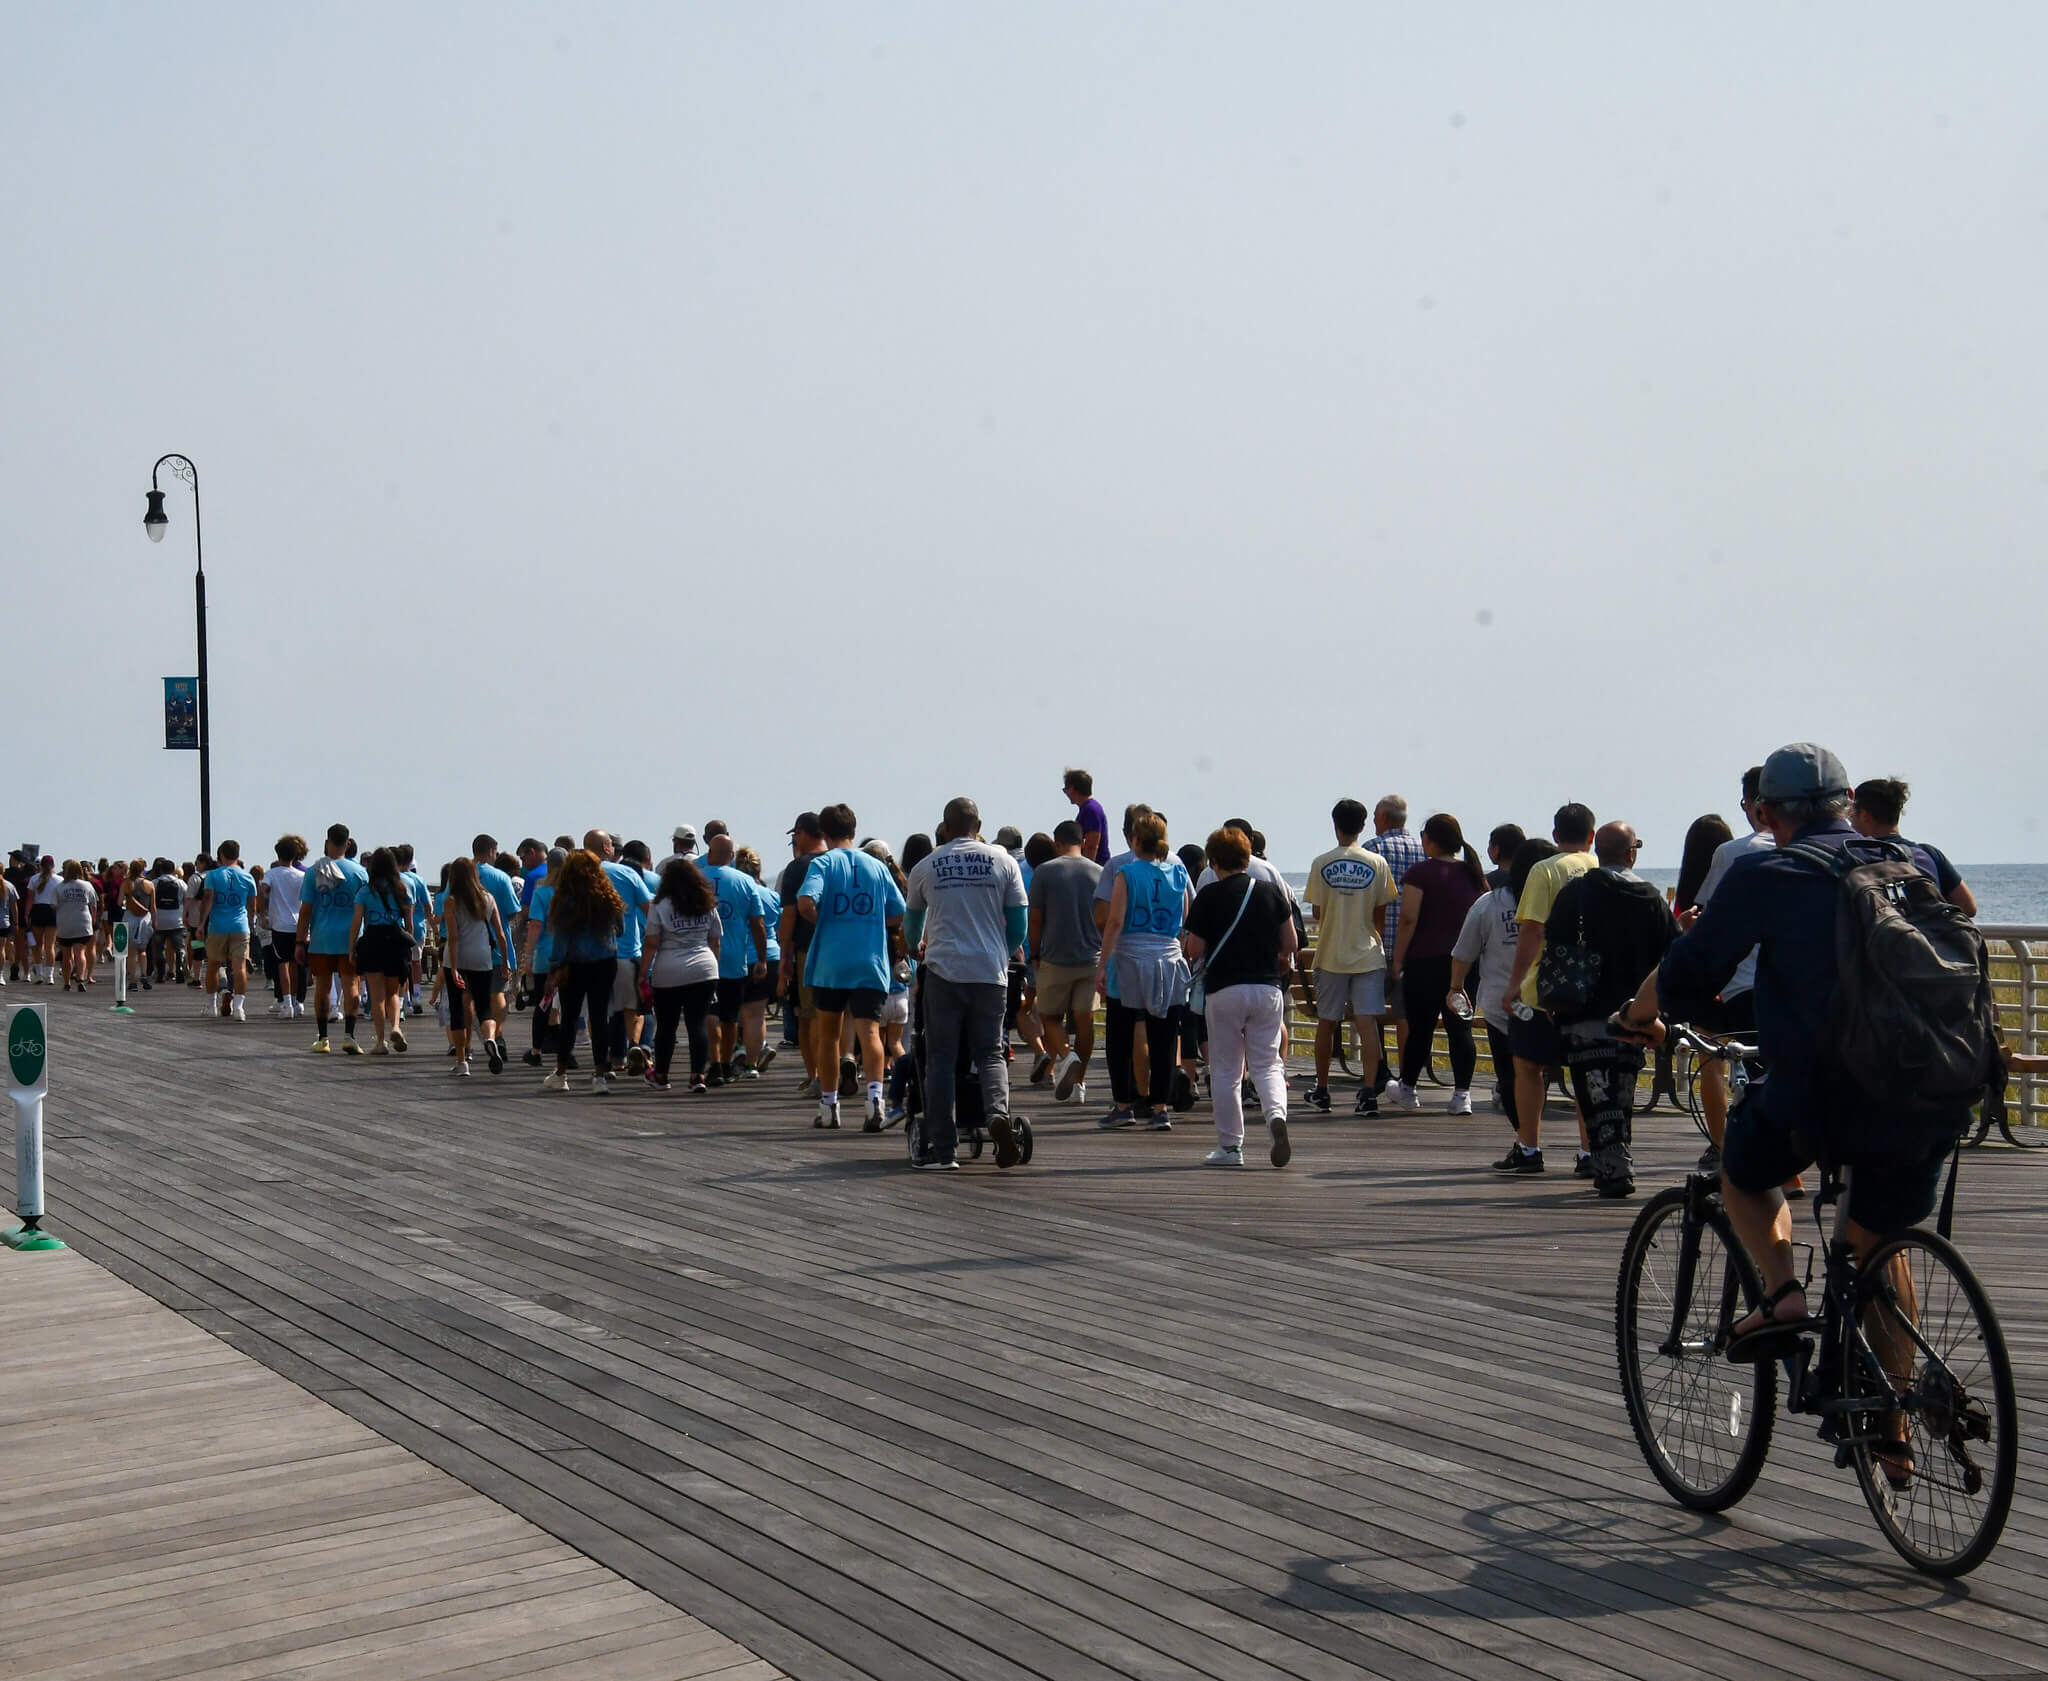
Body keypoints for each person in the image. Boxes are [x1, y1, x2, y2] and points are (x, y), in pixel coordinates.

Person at [1615, 744, 1959, 1479]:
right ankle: (1892, 1433)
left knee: (1742, 1165)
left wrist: (1640, 1014)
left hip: (1826, 1089)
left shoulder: (1767, 871)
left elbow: (1691, 968)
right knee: (1880, 1241)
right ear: (1846, 801)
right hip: (1931, 1087)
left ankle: (1780, 1293)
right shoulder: (1915, 861)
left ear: (1768, 813)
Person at [1540, 822, 1678, 1196]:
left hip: (1582, 1011)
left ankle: (1610, 1164)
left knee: (1592, 1094)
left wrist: (1551, 1000)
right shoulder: (1650, 898)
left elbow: (1554, 946)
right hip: (1634, 1013)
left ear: (1599, 851)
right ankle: (1616, 1161)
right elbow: (1672, 953)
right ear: (1631, 852)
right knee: (1622, 1093)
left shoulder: (1576, 893)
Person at [902, 798, 1028, 1167]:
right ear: (979, 824)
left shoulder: (926, 866)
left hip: (944, 971)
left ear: (944, 828)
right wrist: (1001, 952)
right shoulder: (1003, 862)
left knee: (940, 1059)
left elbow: (912, 926)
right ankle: (998, 1115)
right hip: (990, 972)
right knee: (990, 1053)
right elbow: (1018, 921)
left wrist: (916, 947)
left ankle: (945, 1149)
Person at [1185, 826, 1298, 1168]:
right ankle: (1275, 1116)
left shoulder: (1209, 896)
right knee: (1268, 1064)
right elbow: (1291, 944)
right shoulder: (1269, 892)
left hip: (1225, 990)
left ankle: (1231, 1148)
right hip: (1267, 989)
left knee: (1226, 1070)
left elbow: (1195, 948)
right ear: (1247, 857)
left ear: (1214, 861)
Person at [1497, 803, 1598, 1176]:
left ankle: (1529, 1147)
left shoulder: (1544, 870)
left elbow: (1533, 929)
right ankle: (1589, 1152)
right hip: (1592, 986)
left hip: (1546, 986)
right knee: (1586, 1071)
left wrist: (1513, 984)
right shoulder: (1600, 869)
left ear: (1556, 836)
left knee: (1527, 1066)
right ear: (1591, 835)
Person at [797, 804, 906, 1131]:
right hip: (869, 960)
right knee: (870, 1031)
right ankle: (875, 1101)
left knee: (829, 1035)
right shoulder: (876, 866)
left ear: (824, 834)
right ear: (854, 831)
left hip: (831, 962)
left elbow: (805, 902)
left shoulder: (823, 864)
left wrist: (823, 921)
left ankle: (830, 1107)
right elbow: (898, 911)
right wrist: (872, 924)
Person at [1687, 771, 1775, 1174]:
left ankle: (1743, 1155)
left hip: (1743, 986)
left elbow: (1706, 919)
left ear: (1753, 803)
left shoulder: (1733, 853)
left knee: (1749, 1075)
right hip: (1807, 984)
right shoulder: (1825, 849)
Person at [1095, 812, 1192, 1133]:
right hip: (1168, 960)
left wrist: (1101, 964)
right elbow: (1184, 923)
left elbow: (1114, 922)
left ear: (1135, 839)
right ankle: (1161, 1107)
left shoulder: (1126, 874)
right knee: (1164, 1039)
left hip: (1129, 961)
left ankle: (1123, 1105)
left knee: (1120, 1037)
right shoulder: (1178, 873)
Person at [1302, 799, 1397, 1117]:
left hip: (1331, 954)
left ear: (1335, 824)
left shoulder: (1321, 862)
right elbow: (1381, 911)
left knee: (1327, 1024)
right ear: (1363, 824)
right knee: (1368, 1023)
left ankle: (1323, 1090)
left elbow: (1316, 911)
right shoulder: (1377, 862)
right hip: (1368, 954)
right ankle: (1369, 1092)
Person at [1388, 815, 1488, 1113]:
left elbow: (1408, 919)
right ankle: (1462, 1095)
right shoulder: (1473, 873)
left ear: (1430, 839)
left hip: (1424, 962)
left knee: (1421, 1028)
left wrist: (1397, 960)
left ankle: (1408, 1089)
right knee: (1461, 1028)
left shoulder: (1420, 873)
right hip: (1465, 964)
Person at [1451, 828, 1536, 1133]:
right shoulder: (1555, 902)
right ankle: (1581, 1149)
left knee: (1511, 1076)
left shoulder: (1489, 903)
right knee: (1536, 1071)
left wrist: (1456, 987)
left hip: (1502, 1005)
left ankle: (1526, 1141)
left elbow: (1463, 953)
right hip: (1547, 1003)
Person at [1030, 820, 1103, 1104]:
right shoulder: (1099, 872)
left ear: (1056, 843)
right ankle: (1080, 1084)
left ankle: (1065, 1055)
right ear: (1083, 841)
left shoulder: (1045, 872)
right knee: (1085, 1019)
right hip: (1091, 957)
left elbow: (1035, 918)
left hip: (1055, 957)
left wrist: (1035, 953)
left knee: (1049, 1017)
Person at [542, 849, 625, 1094]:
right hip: (605, 961)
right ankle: (600, 1075)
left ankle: (561, 1072)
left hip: (574, 963)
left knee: (569, 1017)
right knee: (599, 1018)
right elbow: (619, 930)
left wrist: (553, 969)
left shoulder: (565, 899)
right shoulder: (608, 897)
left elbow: (561, 940)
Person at [642, 855, 721, 1092]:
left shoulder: (660, 905)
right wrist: (712, 966)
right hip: (704, 967)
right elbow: (715, 940)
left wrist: (642, 973)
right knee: (697, 1023)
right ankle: (697, 1075)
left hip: (669, 970)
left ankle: (662, 1075)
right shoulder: (707, 903)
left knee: (667, 1026)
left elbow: (652, 943)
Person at [1852, 777, 1977, 916]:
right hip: (1928, 937)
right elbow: (1969, 908)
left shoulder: (1855, 858)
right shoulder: (1929, 854)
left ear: (1864, 815)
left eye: (1851, 816)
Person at [1365, 796, 1425, 1081]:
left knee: (1370, 1013)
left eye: (1376, 815)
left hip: (1375, 946)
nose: (1373, 821)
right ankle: (1407, 1077)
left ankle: (1378, 1072)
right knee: (1405, 1016)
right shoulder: (1423, 850)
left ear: (1385, 818)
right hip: (1411, 948)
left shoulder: (1372, 850)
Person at [700, 833, 768, 1088]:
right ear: (731, 856)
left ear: (709, 854)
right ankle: (725, 1064)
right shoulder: (745, 882)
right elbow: (757, 923)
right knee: (729, 1017)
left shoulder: (696, 879)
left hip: (701, 958)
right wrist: (761, 958)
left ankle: (715, 1063)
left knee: (709, 1013)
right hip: (734, 960)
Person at [441, 857, 512, 1076]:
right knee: (484, 1007)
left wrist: (453, 968)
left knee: (458, 1009)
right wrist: (506, 961)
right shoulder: (487, 898)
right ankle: (490, 1038)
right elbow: (500, 934)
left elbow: (453, 937)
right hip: (483, 958)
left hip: (458, 958)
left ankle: (462, 1062)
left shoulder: (451, 901)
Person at [776, 813, 828, 1093]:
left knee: (808, 1016)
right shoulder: (838, 861)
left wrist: (785, 957)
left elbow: (789, 916)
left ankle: (815, 1074)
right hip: (840, 946)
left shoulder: (798, 868)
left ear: (802, 833)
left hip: (809, 950)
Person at [348, 847, 415, 1054]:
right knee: (393, 992)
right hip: (396, 939)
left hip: (373, 940)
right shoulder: (403, 889)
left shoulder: (366, 891)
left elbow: (357, 922)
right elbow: (409, 924)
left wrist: (352, 948)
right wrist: (409, 948)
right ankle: (395, 1026)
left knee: (377, 995)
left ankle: (380, 1042)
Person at [193, 840, 257, 1019]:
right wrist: (251, 925)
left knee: (213, 966)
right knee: (240, 968)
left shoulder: (213, 876)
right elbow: (252, 906)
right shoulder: (247, 877)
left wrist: (200, 924)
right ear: (238, 854)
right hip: (240, 926)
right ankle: (239, 1007)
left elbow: (208, 900)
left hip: (217, 926)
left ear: (221, 855)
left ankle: (211, 1005)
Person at [520, 846, 569, 1066]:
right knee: (570, 1005)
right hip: (571, 956)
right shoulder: (574, 893)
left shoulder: (542, 893)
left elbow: (536, 924)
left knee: (543, 1004)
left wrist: (528, 956)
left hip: (546, 957)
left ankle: (536, 1050)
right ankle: (566, 1053)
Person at [259, 837, 308, 1017]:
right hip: (299, 924)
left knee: (282, 964)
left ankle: (286, 1003)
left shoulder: (271, 874)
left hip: (279, 924)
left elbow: (263, 890)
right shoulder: (302, 876)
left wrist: (263, 914)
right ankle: (297, 1002)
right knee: (297, 964)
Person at [52, 860, 99, 991]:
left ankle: (67, 982)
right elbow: (94, 905)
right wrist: (93, 918)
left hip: (65, 923)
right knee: (80, 953)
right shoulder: (87, 885)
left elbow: (53, 905)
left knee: (66, 955)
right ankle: (80, 978)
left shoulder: (59, 887)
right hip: (82, 922)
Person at [148, 858, 187, 987]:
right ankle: (180, 969)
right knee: (179, 948)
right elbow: (186, 900)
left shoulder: (154, 883)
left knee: (159, 948)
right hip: (177, 920)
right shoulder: (181, 883)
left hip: (160, 920)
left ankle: (160, 973)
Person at [1063, 769, 1110, 864]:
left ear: (1071, 789)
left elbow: (1091, 846)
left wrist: (1085, 870)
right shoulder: (1086, 809)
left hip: (1097, 869)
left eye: (1065, 790)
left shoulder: (1091, 810)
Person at [27, 856, 60, 984]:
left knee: (37, 946)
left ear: (40, 865)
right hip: (52, 911)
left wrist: (26, 914)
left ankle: (39, 974)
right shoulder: (59, 880)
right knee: (50, 945)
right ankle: (50, 976)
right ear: (53, 865)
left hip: (38, 911)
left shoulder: (34, 879)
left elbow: (30, 899)